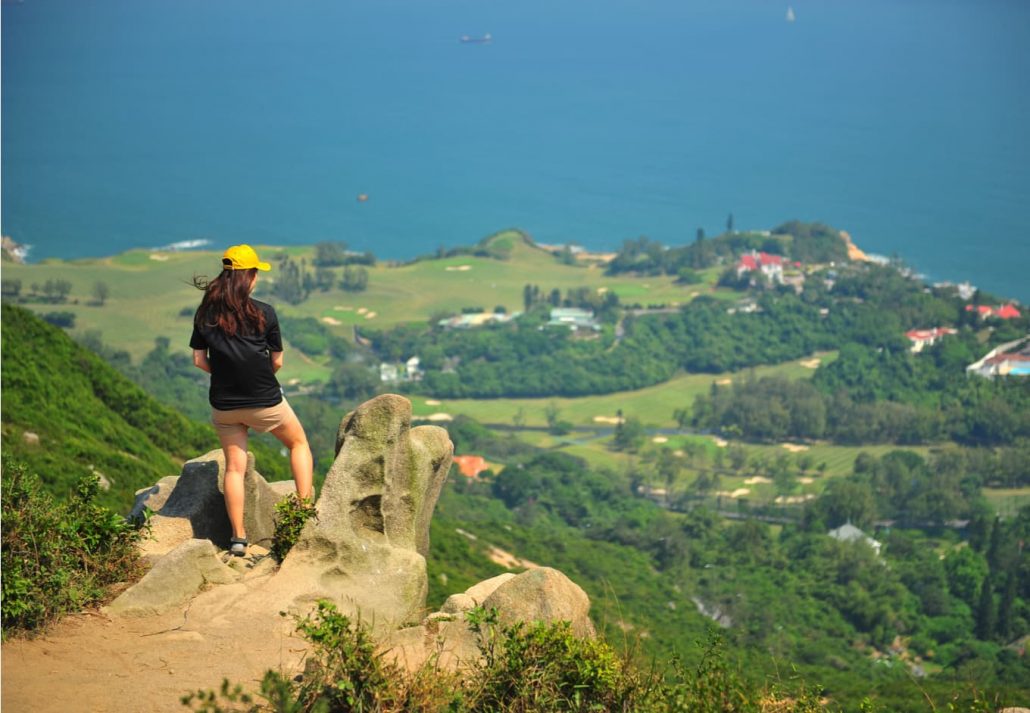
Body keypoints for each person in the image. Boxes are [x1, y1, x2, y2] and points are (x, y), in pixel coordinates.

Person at [190, 244, 313, 556]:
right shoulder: (264, 312)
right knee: (298, 444)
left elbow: (199, 361)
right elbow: (278, 362)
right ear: (250, 277)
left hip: (224, 405)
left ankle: (238, 539)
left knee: (234, 467)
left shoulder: (206, 313)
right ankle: (305, 514)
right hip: (265, 400)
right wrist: (259, 377)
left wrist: (226, 375)